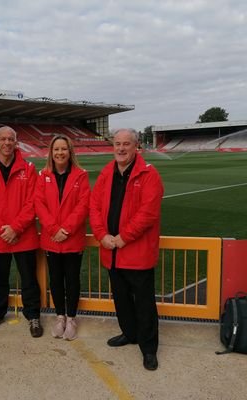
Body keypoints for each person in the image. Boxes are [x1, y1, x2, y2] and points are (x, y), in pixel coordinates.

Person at [89, 128, 164, 371]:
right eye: (117, 143)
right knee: (121, 300)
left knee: (143, 303)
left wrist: (122, 237)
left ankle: (149, 348)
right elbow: (94, 207)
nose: (121, 148)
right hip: (111, 251)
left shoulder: (149, 175)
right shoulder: (106, 173)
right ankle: (129, 334)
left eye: (126, 144)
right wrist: (102, 235)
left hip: (136, 252)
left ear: (136, 147)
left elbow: (148, 214)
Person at [0, 126, 43, 338]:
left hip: (23, 235)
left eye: (11, 139)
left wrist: (15, 227)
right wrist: (0, 228)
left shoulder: (29, 169)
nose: (7, 143)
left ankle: (33, 316)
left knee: (29, 279)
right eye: (3, 139)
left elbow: (33, 202)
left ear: (16, 142)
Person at [35, 135, 90, 340]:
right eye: (56, 149)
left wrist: (65, 229)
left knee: (72, 279)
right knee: (56, 280)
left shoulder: (80, 175)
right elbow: (39, 204)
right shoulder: (43, 175)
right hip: (51, 239)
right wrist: (52, 228)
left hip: (72, 238)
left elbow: (83, 205)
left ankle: (72, 317)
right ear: (51, 152)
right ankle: (60, 316)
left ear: (70, 152)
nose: (60, 153)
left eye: (63, 149)